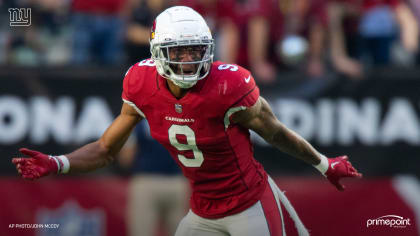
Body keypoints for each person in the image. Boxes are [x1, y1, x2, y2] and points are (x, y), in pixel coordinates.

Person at [12, 6, 362, 236]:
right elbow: (106, 149)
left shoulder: (229, 85)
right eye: (178, 51)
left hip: (249, 205)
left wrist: (323, 163)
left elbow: (277, 133)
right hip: (202, 212)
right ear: (158, 52)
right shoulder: (140, 82)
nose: (189, 59)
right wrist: (58, 162)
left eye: (196, 49)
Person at [118, 121, 188, 236]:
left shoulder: (137, 117)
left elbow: (126, 158)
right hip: (177, 182)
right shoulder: (180, 114)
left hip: (146, 182)